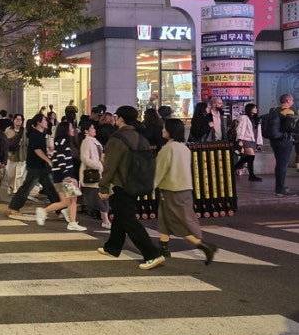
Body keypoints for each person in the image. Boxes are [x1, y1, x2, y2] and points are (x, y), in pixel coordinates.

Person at [97, 105, 165, 270]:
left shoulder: (117, 139)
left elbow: (110, 166)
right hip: (138, 182)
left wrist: (103, 187)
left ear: (120, 119)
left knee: (129, 220)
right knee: (121, 215)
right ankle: (112, 247)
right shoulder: (140, 138)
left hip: (122, 184)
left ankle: (152, 254)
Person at [154, 119, 219, 264]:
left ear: (170, 131)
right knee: (166, 217)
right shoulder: (184, 148)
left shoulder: (168, 149)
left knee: (178, 220)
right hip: (184, 188)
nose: (162, 130)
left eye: (164, 128)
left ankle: (203, 246)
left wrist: (150, 186)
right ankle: (163, 246)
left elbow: (160, 171)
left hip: (171, 189)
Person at [7, 113, 62, 221]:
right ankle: (14, 207)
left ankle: (60, 210)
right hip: (35, 166)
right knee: (27, 187)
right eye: (44, 120)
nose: (46, 122)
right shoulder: (35, 135)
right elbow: (37, 150)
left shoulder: (41, 134)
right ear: (38, 123)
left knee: (50, 188)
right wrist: (48, 160)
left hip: (41, 166)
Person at [50, 120, 86, 230]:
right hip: (65, 176)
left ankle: (71, 220)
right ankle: (72, 223)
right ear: (65, 130)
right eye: (71, 128)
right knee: (72, 199)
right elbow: (61, 158)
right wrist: (66, 174)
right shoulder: (62, 141)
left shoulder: (61, 141)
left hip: (63, 175)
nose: (73, 130)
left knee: (70, 200)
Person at [79, 120, 111, 229]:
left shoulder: (94, 141)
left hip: (96, 174)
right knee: (100, 197)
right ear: (86, 131)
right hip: (92, 174)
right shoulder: (87, 141)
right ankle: (105, 221)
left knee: (93, 197)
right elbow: (84, 158)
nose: (94, 130)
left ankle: (105, 220)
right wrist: (97, 165)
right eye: (92, 128)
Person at [268, 93, 297, 196]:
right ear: (287, 101)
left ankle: (280, 187)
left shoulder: (273, 110)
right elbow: (291, 128)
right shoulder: (288, 111)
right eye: (292, 100)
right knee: (282, 165)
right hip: (284, 141)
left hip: (274, 140)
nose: (293, 101)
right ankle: (280, 190)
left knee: (279, 164)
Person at [233, 103, 263, 182]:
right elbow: (240, 128)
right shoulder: (244, 117)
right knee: (251, 156)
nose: (256, 109)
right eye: (254, 108)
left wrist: (259, 142)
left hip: (253, 140)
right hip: (246, 139)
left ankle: (233, 169)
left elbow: (258, 132)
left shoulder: (256, 118)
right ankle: (251, 175)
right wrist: (240, 139)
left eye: (256, 108)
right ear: (250, 109)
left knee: (248, 157)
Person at [5, 113, 26, 196]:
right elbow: (4, 141)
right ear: (13, 120)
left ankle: (17, 192)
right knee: (10, 174)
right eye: (16, 119)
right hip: (10, 155)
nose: (18, 121)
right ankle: (10, 186)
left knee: (19, 176)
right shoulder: (8, 130)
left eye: (20, 119)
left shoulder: (24, 131)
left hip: (21, 156)